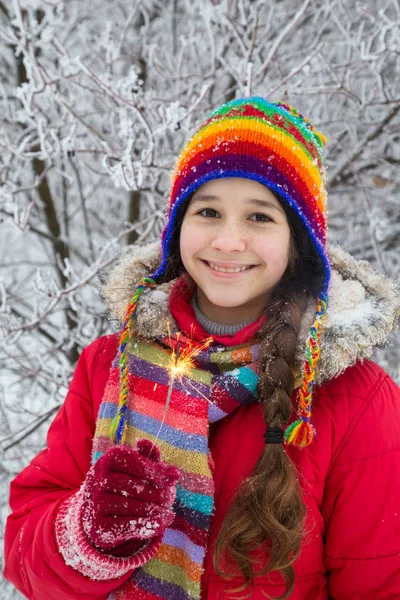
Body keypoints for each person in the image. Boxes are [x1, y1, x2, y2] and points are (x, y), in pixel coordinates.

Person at [3, 97, 400, 600]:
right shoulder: (110, 366)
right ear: (178, 227)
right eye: (208, 211)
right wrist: (87, 535)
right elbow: (23, 555)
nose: (229, 241)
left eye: (260, 217)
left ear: (299, 242)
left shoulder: (358, 403)